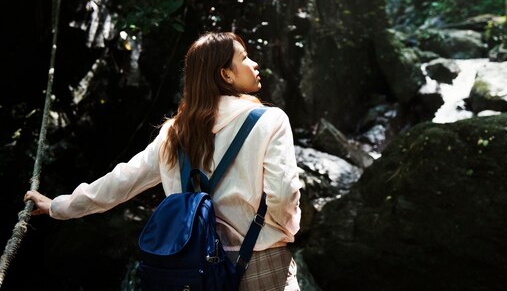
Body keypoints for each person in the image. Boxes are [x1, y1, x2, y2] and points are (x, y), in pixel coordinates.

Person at [24, 31, 302, 291]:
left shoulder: (175, 132)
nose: (254, 63)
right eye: (244, 58)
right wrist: (283, 232)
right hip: (263, 265)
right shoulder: (271, 120)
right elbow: (283, 195)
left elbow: (122, 182)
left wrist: (57, 206)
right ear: (226, 74)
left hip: (191, 272)